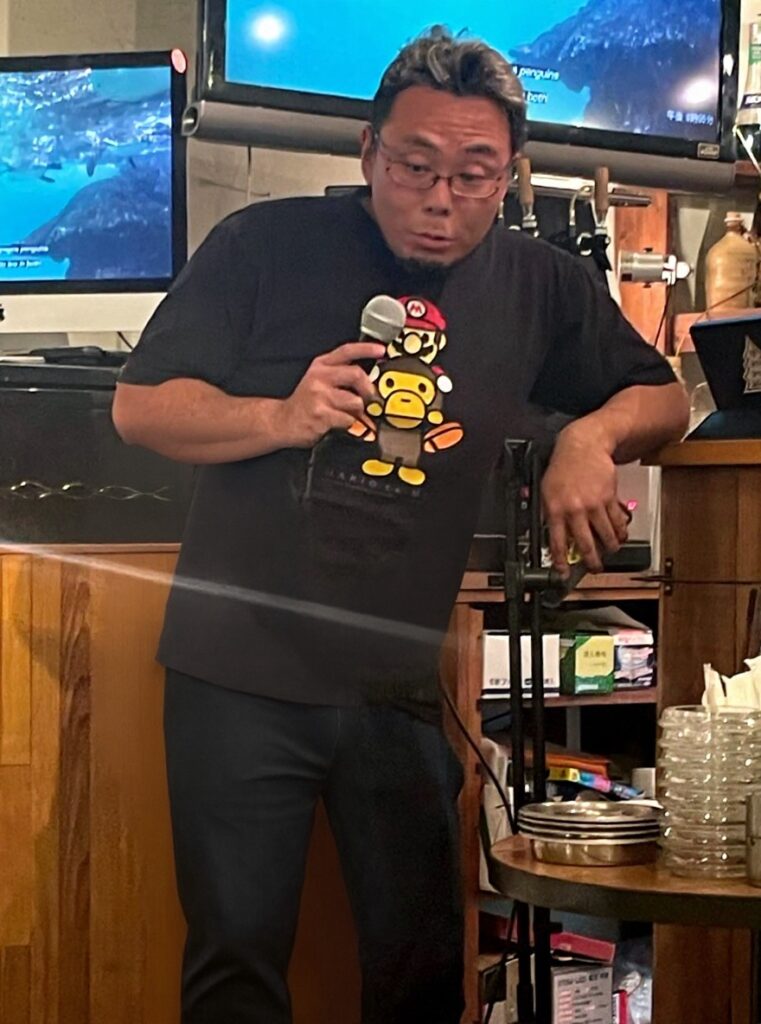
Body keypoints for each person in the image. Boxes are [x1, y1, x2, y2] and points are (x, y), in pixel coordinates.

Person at [112, 26, 688, 1024]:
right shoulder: (262, 244)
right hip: (236, 674)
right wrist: (279, 417)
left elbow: (663, 395)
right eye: (415, 166)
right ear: (368, 151)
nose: (440, 197)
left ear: (509, 175)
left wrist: (587, 439)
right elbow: (140, 407)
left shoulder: (539, 283)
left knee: (421, 966)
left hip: (395, 685)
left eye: (473, 173)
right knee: (235, 963)